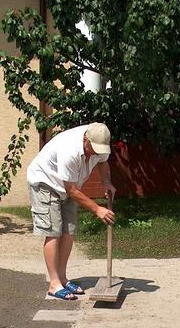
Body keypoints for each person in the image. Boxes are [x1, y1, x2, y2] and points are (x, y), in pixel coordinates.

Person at [26, 123, 116, 300]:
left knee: (69, 231)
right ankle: (54, 284)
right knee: (53, 232)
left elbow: (103, 162)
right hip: (45, 182)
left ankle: (62, 278)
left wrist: (106, 182)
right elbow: (71, 190)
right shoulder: (70, 150)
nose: (96, 153)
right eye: (93, 149)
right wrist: (97, 209)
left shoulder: (100, 143)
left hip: (68, 185)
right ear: (85, 139)